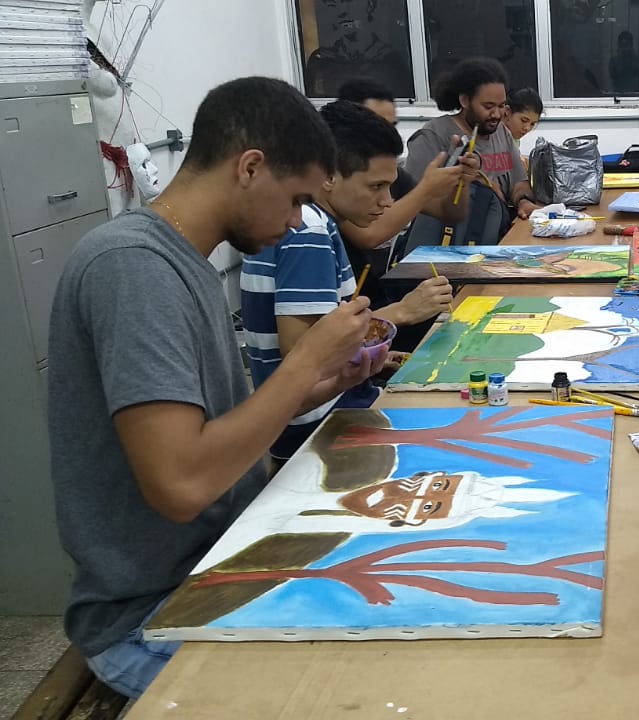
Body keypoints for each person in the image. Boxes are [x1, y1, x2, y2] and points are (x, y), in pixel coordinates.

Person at [46, 77, 382, 699]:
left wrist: (318, 383)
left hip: (220, 565)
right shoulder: (134, 268)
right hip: (154, 611)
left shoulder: (184, 263)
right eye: (296, 199)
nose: (296, 222)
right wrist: (305, 361)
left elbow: (218, 432)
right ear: (250, 167)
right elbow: (182, 485)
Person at [241, 101, 456, 462]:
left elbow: (319, 341)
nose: (387, 202)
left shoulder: (310, 222)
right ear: (328, 176)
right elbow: (305, 354)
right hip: (323, 431)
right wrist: (401, 313)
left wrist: (365, 357)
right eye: (376, 186)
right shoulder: (308, 230)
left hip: (331, 413)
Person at [333, 77, 479, 308]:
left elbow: (451, 213)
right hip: (360, 306)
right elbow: (368, 235)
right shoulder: (337, 185)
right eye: (377, 125)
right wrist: (426, 189)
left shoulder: (393, 175)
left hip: (380, 294)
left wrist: (459, 181)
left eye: (392, 125)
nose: (387, 135)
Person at [405, 57, 538, 225]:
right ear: (465, 101)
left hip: (498, 233)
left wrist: (523, 201)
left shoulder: (502, 132)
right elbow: (412, 199)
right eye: (488, 107)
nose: (497, 114)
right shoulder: (432, 136)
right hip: (450, 236)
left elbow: (519, 183)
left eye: (501, 106)